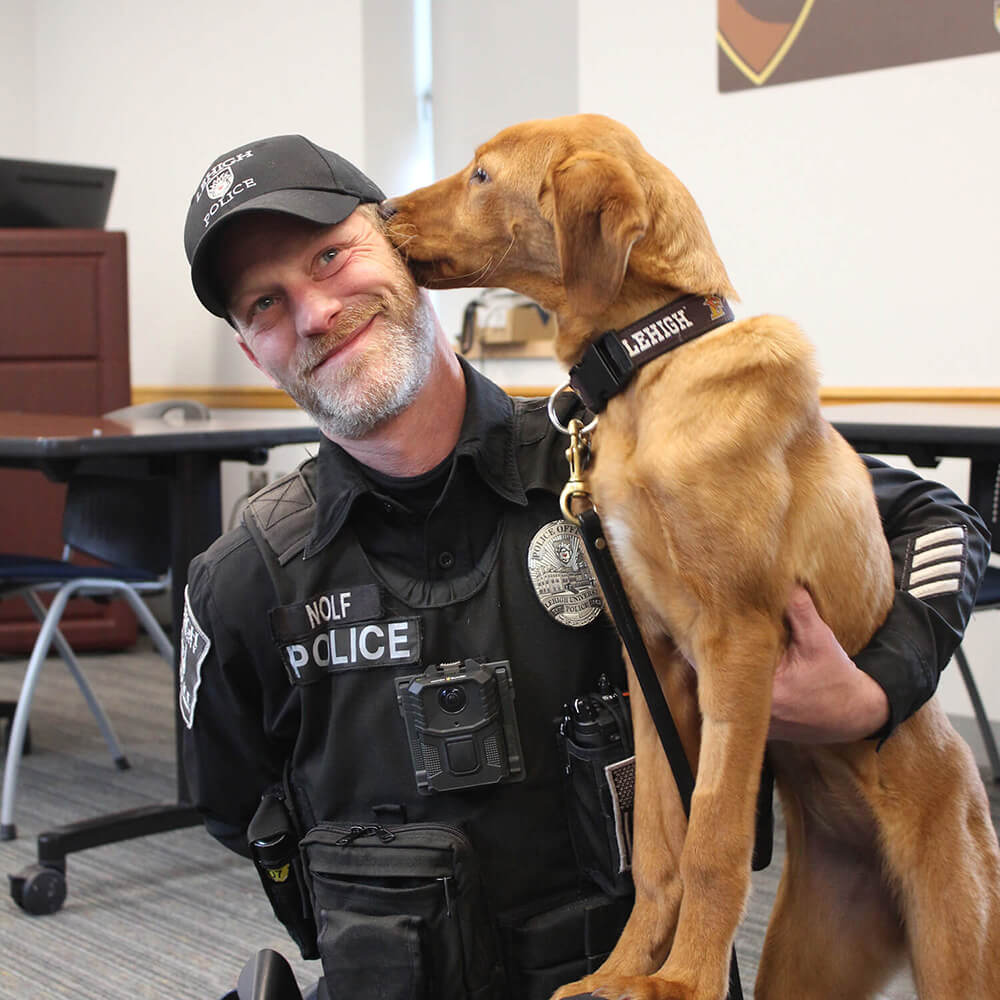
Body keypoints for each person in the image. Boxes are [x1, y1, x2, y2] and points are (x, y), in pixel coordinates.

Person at [181, 134, 990, 999]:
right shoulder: (243, 581)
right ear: (249, 349)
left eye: (332, 257)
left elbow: (935, 518)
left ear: (402, 250)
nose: (314, 314)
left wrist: (877, 689)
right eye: (265, 304)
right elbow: (237, 811)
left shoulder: (617, 463)